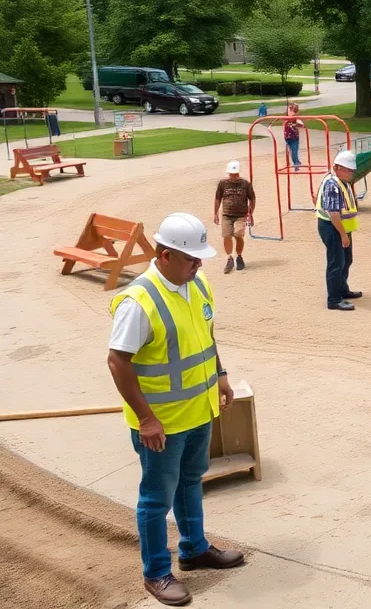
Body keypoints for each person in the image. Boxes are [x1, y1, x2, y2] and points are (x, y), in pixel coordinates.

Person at [106, 213, 245, 606]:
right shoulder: (139, 301)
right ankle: (156, 573)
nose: (199, 264)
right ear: (165, 255)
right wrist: (147, 419)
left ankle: (194, 549)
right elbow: (118, 361)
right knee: (156, 499)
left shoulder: (197, 284)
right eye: (191, 258)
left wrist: (220, 374)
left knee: (190, 483)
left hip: (198, 411)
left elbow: (207, 335)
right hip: (160, 424)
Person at [317, 150, 362, 311]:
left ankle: (342, 289)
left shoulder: (342, 182)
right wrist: (343, 234)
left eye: (352, 170)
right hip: (333, 228)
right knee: (336, 262)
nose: (351, 173)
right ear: (337, 168)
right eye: (349, 170)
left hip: (341, 227)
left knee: (346, 260)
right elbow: (333, 213)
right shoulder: (332, 185)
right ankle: (334, 299)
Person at [213, 160, 255, 274]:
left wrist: (250, 213)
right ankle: (229, 258)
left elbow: (252, 198)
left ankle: (239, 256)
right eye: (231, 174)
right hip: (227, 215)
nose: (233, 176)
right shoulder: (223, 184)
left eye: (235, 174)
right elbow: (218, 198)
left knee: (238, 234)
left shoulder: (246, 184)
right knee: (226, 236)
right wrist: (215, 213)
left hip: (241, 215)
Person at [283, 103, 303, 171]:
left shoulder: (295, 119)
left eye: (291, 111)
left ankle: (297, 163)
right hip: (287, 138)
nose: (289, 113)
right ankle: (296, 162)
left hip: (294, 138)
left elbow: (301, 124)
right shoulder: (286, 118)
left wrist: (295, 124)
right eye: (288, 111)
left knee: (294, 151)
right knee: (292, 152)